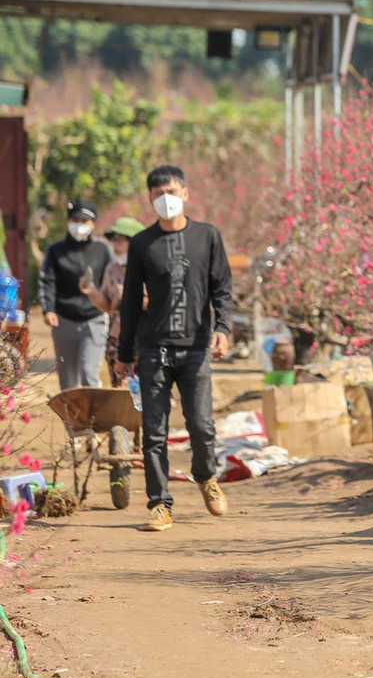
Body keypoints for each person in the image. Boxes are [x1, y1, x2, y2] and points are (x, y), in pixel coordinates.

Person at [115, 167, 233, 532]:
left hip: (195, 347)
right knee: (153, 430)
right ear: (150, 200)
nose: (165, 198)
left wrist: (223, 328)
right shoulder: (141, 244)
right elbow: (131, 301)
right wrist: (124, 354)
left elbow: (222, 289)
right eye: (157, 194)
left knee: (201, 425)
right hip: (153, 349)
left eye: (170, 190)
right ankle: (160, 504)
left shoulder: (207, 236)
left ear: (185, 193)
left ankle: (206, 477)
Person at [39, 199, 113, 390]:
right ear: (68, 221)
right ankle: (72, 421)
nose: (79, 225)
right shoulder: (56, 250)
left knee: (89, 373)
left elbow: (113, 280)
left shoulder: (103, 249)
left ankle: (93, 419)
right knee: (69, 381)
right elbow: (47, 282)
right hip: (64, 320)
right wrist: (49, 310)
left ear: (93, 224)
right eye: (75, 220)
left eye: (84, 221)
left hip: (94, 319)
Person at [80, 216, 144, 387]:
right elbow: (108, 306)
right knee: (121, 386)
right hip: (117, 337)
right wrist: (93, 293)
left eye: (121, 240)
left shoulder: (148, 267)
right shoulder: (112, 269)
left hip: (144, 337)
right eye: (113, 240)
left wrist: (132, 301)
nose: (115, 244)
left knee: (147, 389)